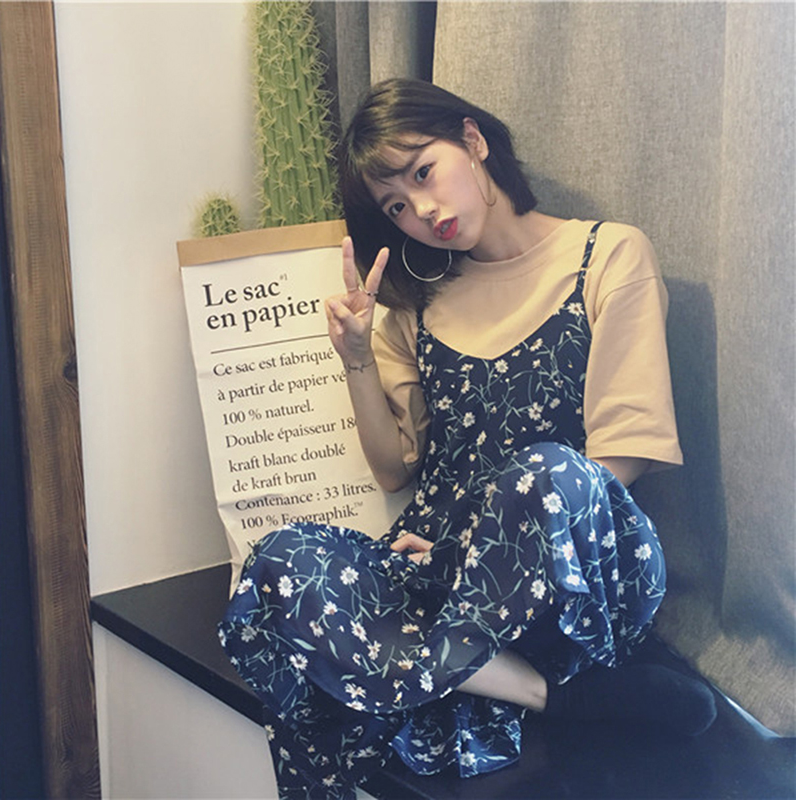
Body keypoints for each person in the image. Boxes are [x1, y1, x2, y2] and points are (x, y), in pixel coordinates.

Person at [219, 78, 716, 799]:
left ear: (473, 140)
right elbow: (394, 470)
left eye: (423, 172)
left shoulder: (608, 254)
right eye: (396, 205)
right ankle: (549, 695)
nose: (421, 211)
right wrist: (356, 357)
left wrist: (468, 546)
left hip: (569, 575)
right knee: (279, 561)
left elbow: (625, 451)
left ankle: (436, 665)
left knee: (548, 471)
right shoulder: (418, 303)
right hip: (438, 576)